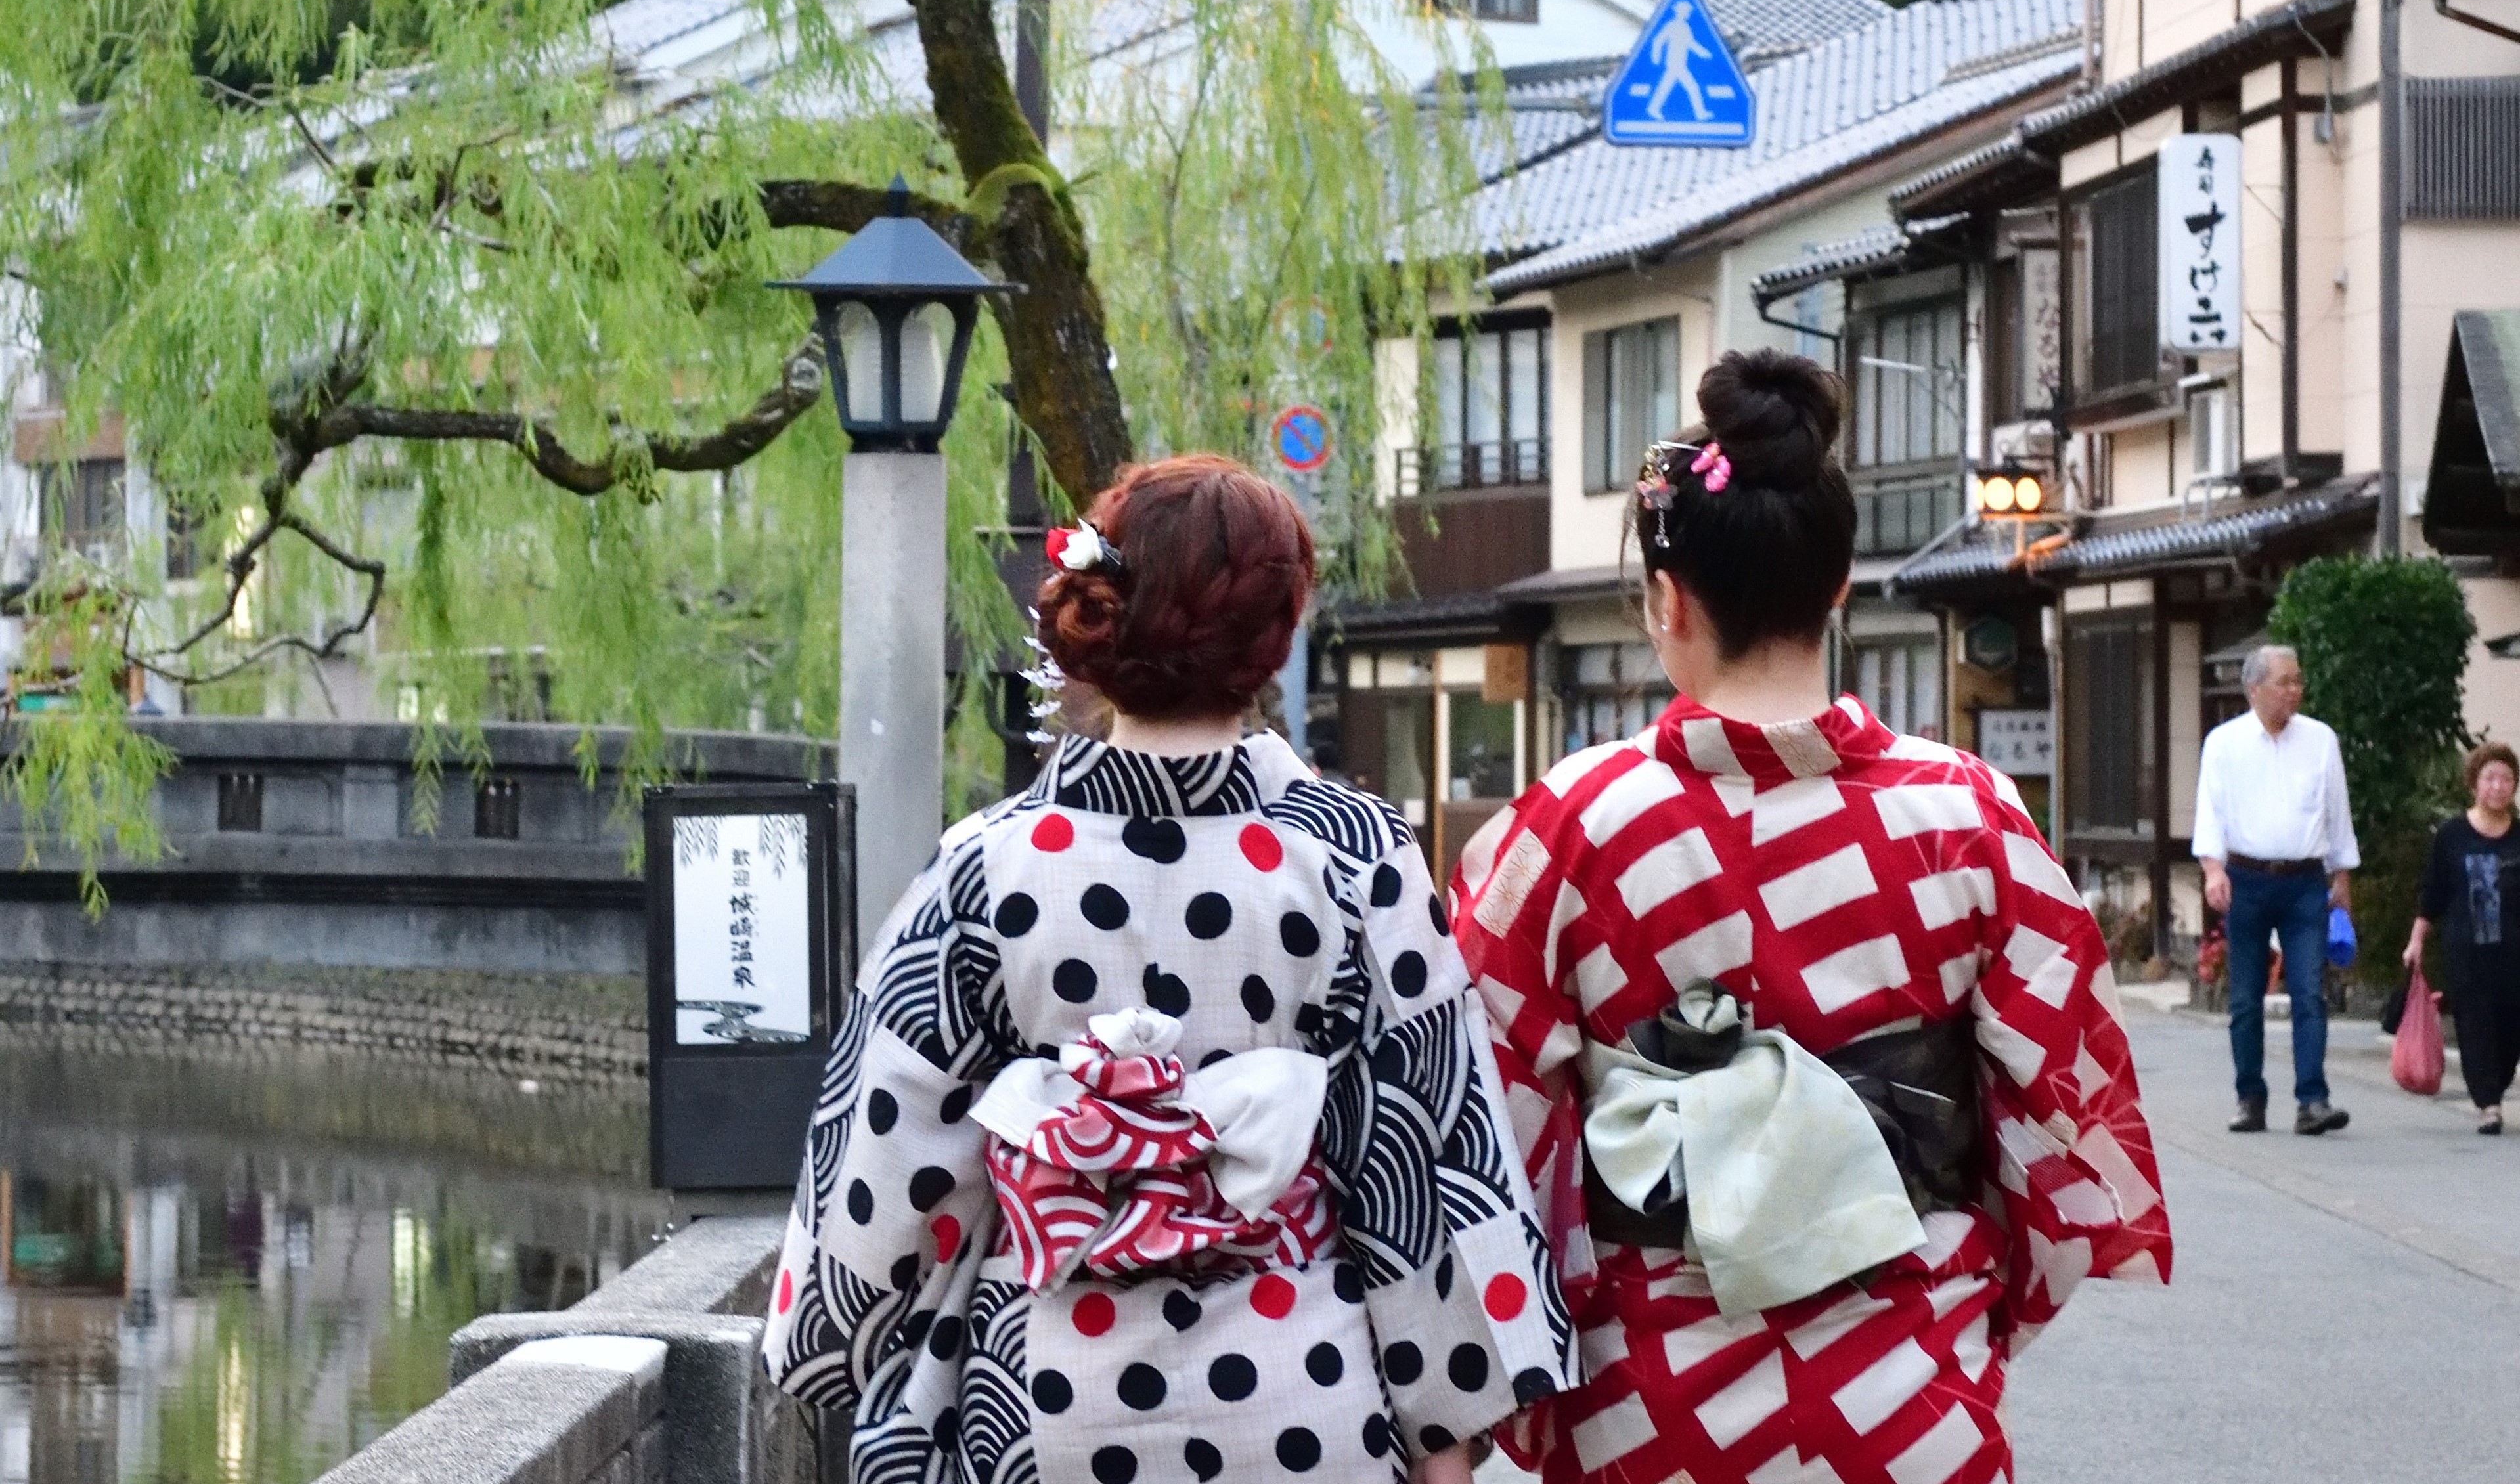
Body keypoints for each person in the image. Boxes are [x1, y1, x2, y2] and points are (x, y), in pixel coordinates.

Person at [763, 454, 1574, 1484]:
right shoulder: (1354, 853)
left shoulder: (984, 861)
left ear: (1097, 621)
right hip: (1299, 1394)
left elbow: (883, 1154)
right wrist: (1445, 1433)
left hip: (1044, 1401)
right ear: (1273, 639)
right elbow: (1425, 1152)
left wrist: (848, 1339)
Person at [1451, 351, 2169, 1484]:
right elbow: (2058, 1098)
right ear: (1838, 588)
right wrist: (1972, 1300)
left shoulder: (1569, 825)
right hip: (1905, 1381)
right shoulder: (1966, 813)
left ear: (1665, 600)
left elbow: (1483, 1122)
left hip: (1651, 1398)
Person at [2192, 645, 2358, 1135]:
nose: (2294, 690)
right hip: (2244, 878)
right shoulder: (2224, 742)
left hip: (2306, 880)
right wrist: (2212, 870)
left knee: (2309, 991)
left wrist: (2342, 876)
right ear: (2254, 688)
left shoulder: (2320, 739)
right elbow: (2210, 812)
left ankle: (2313, 1099)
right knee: (2244, 998)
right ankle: (2249, 1096)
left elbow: (2336, 810)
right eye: (2284, 681)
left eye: (2297, 681)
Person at [2408, 743, 2520, 1133]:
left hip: (2513, 953)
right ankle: (2488, 1103)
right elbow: (2433, 892)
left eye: (2507, 779)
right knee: (2474, 1025)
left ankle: (2497, 1083)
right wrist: (2417, 939)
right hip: (2466, 951)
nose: (2499, 786)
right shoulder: (2452, 835)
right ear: (2474, 783)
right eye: (2490, 777)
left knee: (2510, 1027)